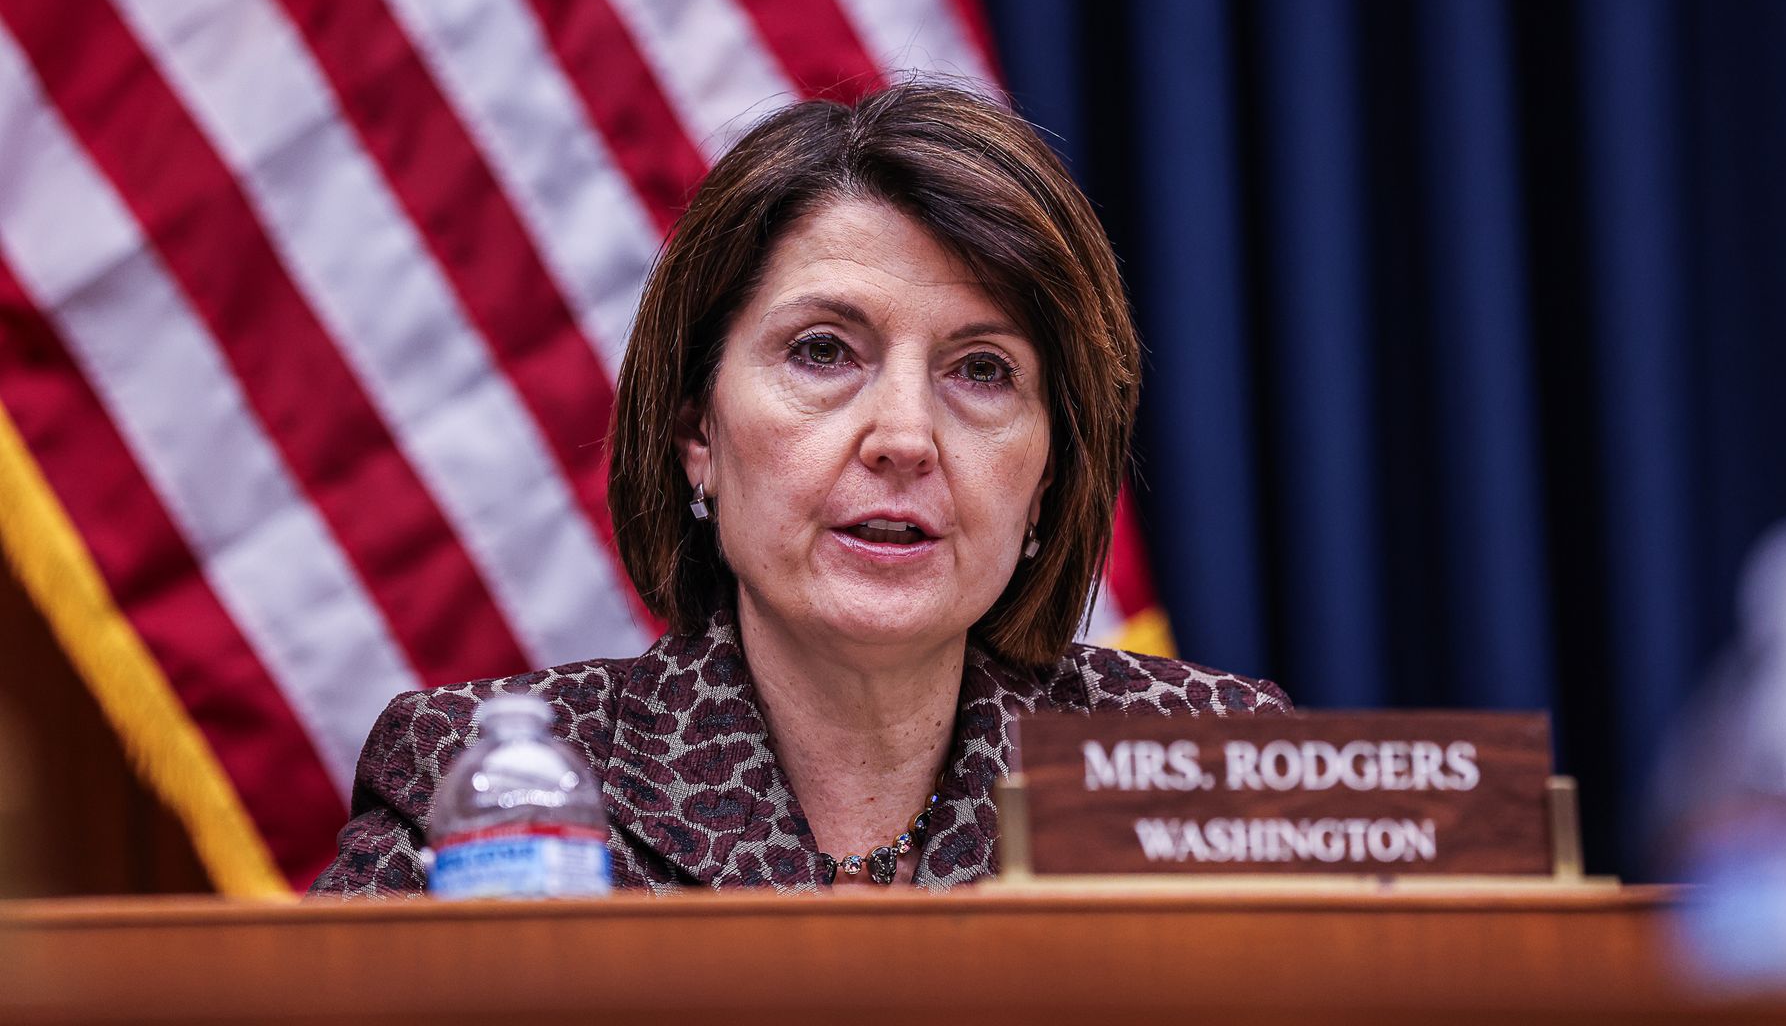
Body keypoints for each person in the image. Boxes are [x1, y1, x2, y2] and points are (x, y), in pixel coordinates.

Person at [310, 81, 1289, 896]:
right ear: (697, 430)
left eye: (982, 370)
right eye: (824, 352)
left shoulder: (1201, 766)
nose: (904, 437)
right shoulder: (487, 789)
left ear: (1048, 475)